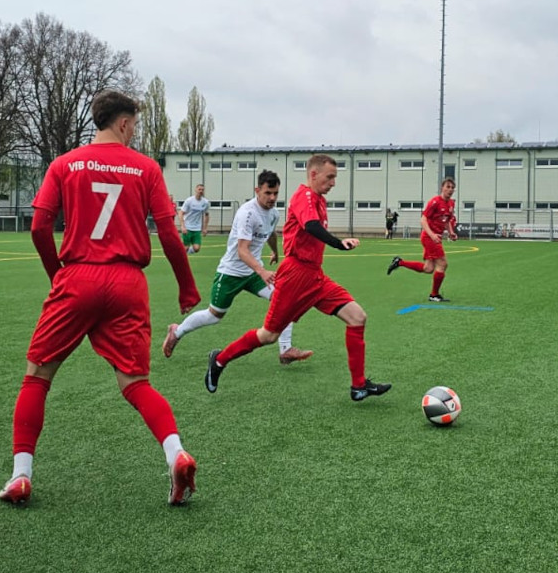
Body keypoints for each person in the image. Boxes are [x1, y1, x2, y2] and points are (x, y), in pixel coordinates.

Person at [0, 90, 200, 507]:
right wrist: (186, 287)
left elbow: (39, 228)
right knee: (136, 383)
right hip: (127, 283)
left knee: (37, 377)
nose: (135, 132)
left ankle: (20, 475)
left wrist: (59, 277)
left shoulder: (64, 164)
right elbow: (168, 233)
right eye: (135, 125)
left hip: (77, 277)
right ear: (124, 123)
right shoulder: (145, 168)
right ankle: (175, 453)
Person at [204, 154, 390, 401]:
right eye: (330, 177)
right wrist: (338, 242)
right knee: (268, 335)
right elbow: (311, 226)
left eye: (335, 177)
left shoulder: (319, 200)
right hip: (295, 275)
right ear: (313, 174)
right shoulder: (303, 196)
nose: (334, 182)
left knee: (357, 317)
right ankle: (219, 360)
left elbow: (313, 228)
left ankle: (358, 386)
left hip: (314, 276)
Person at [163, 170, 311, 365]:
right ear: (257, 190)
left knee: (285, 300)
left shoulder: (273, 213)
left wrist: (274, 251)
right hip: (231, 273)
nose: (272, 198)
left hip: (253, 273)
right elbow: (242, 250)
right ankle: (177, 331)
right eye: (268, 193)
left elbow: (271, 233)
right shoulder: (247, 213)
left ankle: (285, 350)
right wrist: (262, 270)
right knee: (214, 316)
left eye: (275, 193)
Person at [387, 178, 458, 301]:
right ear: (442, 188)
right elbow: (423, 220)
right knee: (442, 264)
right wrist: (432, 235)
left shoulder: (451, 204)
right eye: (448, 187)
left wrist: (451, 232)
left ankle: (399, 262)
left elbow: (447, 220)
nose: (450, 190)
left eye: (452, 187)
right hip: (429, 237)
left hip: (435, 238)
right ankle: (434, 295)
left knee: (428, 268)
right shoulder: (435, 202)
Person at [179, 184, 210, 254]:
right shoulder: (189, 201)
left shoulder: (205, 202)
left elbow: (207, 215)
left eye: (202, 190)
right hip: (187, 227)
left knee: (196, 248)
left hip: (197, 228)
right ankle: (182, 253)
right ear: (196, 190)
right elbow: (181, 213)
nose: (201, 191)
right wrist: (182, 226)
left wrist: (205, 228)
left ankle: (185, 252)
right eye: (199, 189)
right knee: (185, 247)